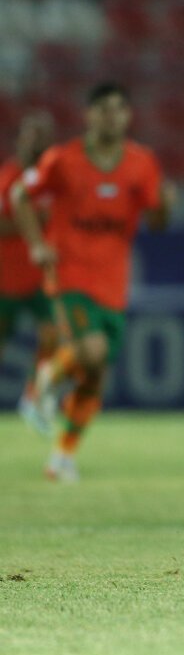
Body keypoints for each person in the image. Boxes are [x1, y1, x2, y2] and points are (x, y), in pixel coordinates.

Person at [10, 82, 175, 482]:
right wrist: (37, 245)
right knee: (91, 349)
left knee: (95, 373)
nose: (111, 116)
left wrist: (166, 206)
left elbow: (156, 223)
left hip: (113, 282)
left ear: (128, 116)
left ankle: (61, 458)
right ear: (88, 116)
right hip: (69, 274)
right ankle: (43, 381)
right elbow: (19, 195)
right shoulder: (62, 160)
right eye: (102, 108)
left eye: (118, 108)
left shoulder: (142, 163)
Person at [0, 110, 57, 433]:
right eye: (32, 135)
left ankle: (34, 396)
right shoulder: (8, 178)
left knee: (53, 336)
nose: (37, 142)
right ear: (20, 139)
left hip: (41, 277)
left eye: (43, 136)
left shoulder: (53, 179)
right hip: (6, 278)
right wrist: (33, 222)